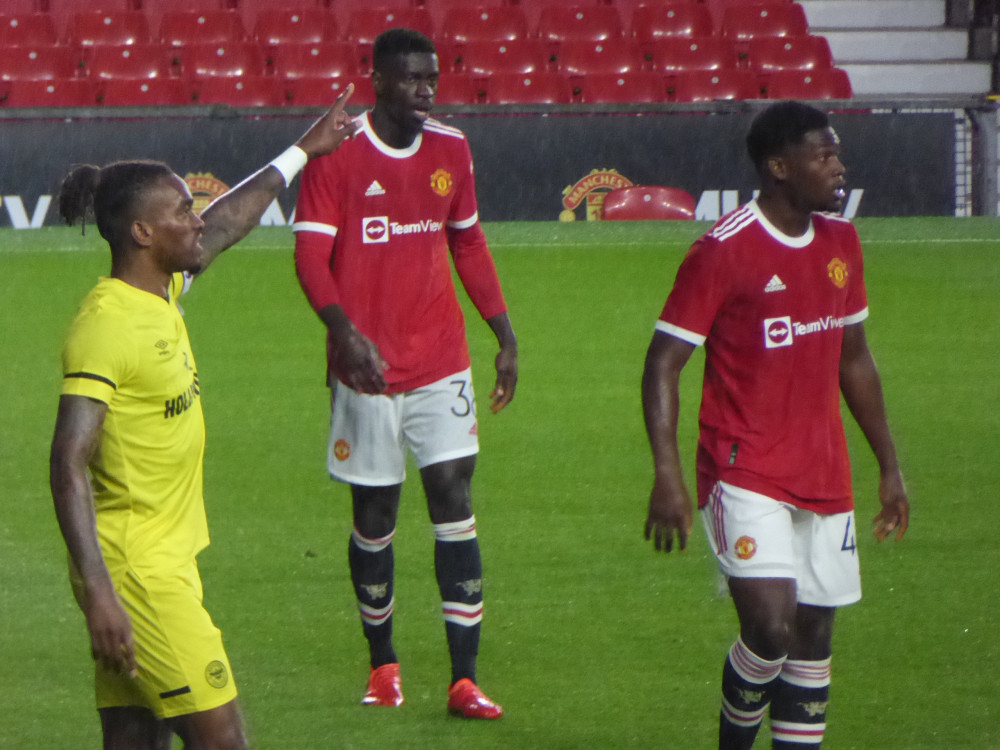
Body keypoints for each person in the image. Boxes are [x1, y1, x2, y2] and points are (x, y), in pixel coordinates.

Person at [49, 87, 359, 749]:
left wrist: (302, 151)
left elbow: (226, 224)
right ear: (141, 233)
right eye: (181, 211)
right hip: (137, 573)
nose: (196, 221)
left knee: (134, 737)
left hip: (161, 558)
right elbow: (67, 461)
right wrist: (101, 593)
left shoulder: (159, 292)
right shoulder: (107, 327)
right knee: (223, 739)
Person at [641, 101, 910, 749]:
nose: (839, 166)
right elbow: (662, 364)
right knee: (769, 630)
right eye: (824, 156)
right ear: (779, 167)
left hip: (825, 471)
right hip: (744, 468)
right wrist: (668, 476)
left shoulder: (842, 244)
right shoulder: (723, 252)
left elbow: (855, 360)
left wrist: (890, 465)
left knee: (814, 638)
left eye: (837, 153)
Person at [292, 28, 516, 720]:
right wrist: (343, 334)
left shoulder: (452, 148)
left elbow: (469, 241)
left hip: (441, 359)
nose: (426, 90)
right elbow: (308, 258)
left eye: (433, 78)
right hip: (366, 368)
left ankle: (465, 679)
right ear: (379, 82)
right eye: (412, 79)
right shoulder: (339, 155)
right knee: (376, 515)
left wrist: (503, 335)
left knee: (454, 500)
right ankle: (383, 664)